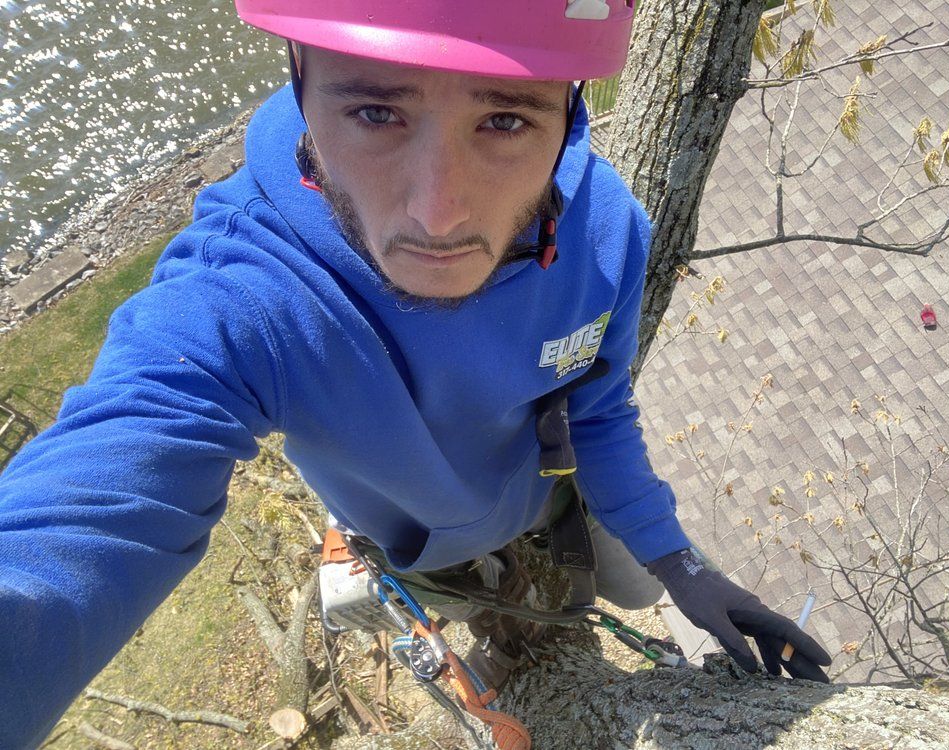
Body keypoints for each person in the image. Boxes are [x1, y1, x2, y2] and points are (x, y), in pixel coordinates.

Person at [0, 2, 831, 747]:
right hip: (424, 551)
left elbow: (599, 409)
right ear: (299, 81)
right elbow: (95, 503)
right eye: (374, 112)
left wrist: (680, 565)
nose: (438, 215)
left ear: (569, 113)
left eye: (504, 120)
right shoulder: (247, 294)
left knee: (640, 593)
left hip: (552, 491)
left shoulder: (606, 232)